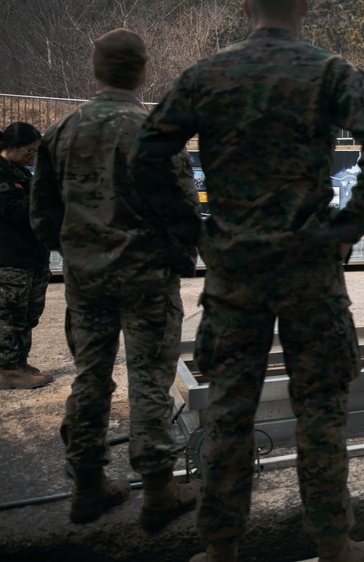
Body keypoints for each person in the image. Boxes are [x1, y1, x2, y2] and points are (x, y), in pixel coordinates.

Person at [131, 0, 364, 562]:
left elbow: (147, 157)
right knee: (321, 411)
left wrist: (195, 234)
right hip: (311, 270)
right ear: (303, 6)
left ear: (246, 7)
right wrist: (342, 229)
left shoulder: (208, 74)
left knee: (227, 412)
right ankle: (335, 544)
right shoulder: (332, 71)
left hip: (235, 273)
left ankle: (220, 549)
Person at [30, 29, 201, 526]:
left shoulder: (61, 131)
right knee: (149, 380)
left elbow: (42, 218)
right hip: (147, 280)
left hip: (87, 283)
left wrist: (81, 252)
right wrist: (177, 260)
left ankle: (87, 487)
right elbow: (184, 211)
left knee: (90, 378)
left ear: (96, 69)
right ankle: (157, 493)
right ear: (144, 69)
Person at [0, 121, 53, 390]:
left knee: (29, 313)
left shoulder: (21, 173)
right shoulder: (3, 175)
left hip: (33, 255)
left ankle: (19, 361)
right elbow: (11, 211)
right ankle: (6, 368)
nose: (31, 157)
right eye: (28, 151)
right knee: (10, 314)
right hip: (11, 259)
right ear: (11, 147)